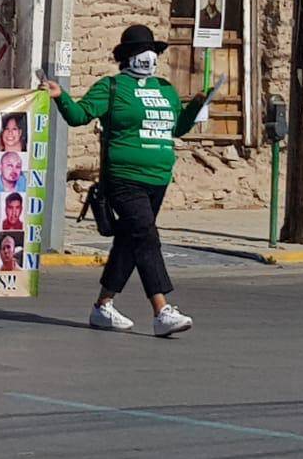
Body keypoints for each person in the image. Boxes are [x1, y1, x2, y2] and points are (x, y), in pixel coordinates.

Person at [42, 23, 206, 338]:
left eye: (152, 51)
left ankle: (102, 306)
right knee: (146, 236)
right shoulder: (112, 88)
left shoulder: (165, 89)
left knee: (132, 240)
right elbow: (79, 116)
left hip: (158, 178)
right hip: (123, 177)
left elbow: (177, 129)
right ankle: (162, 311)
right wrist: (60, 96)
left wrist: (197, 105)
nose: (147, 57)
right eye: (139, 51)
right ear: (126, 57)